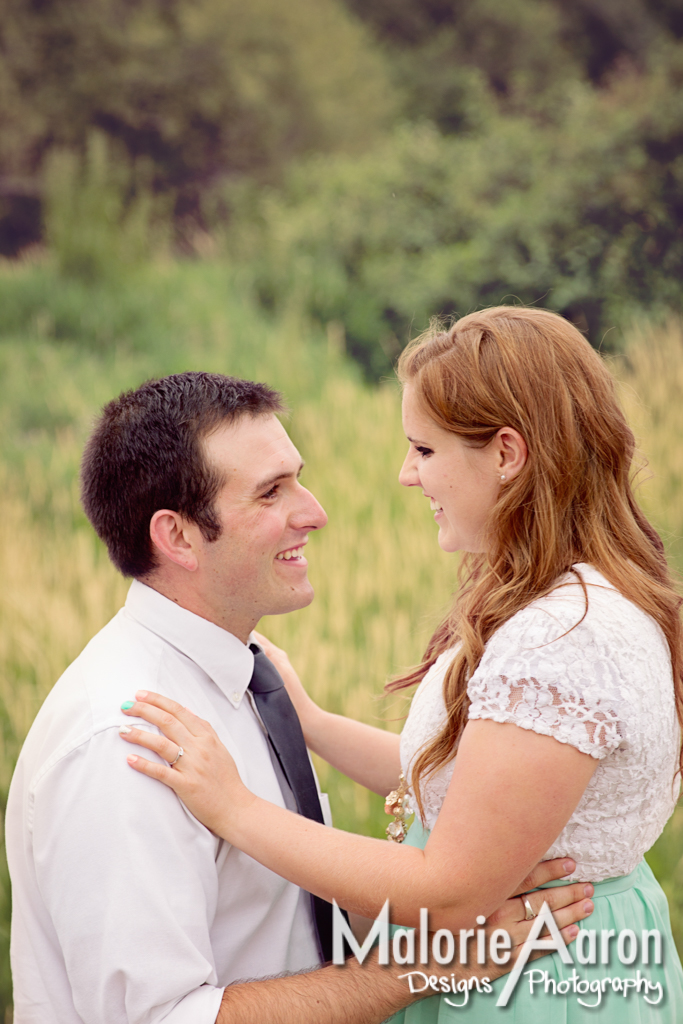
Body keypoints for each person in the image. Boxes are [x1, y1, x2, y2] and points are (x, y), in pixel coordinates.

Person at [120, 308, 683, 1021]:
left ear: (506, 454)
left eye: (423, 450)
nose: (405, 475)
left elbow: (448, 887)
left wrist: (236, 809)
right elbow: (472, 784)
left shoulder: (563, 639)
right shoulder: (556, 597)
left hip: (541, 982)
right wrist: (312, 723)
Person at [5, 370, 591, 1024]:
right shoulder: (123, 745)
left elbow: (283, 917)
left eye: (297, 478)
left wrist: (467, 893)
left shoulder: (250, 679)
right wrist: (432, 963)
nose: (314, 512)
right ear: (176, 537)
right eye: (270, 493)